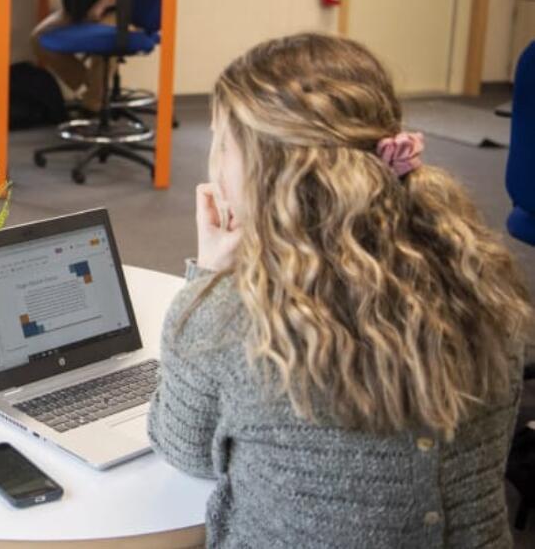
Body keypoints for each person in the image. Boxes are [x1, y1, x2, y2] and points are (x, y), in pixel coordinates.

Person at [148, 33, 531, 547]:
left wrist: (209, 281)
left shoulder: (229, 315)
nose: (213, 163)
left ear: (267, 169)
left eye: (222, 142)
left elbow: (185, 450)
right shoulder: (485, 278)